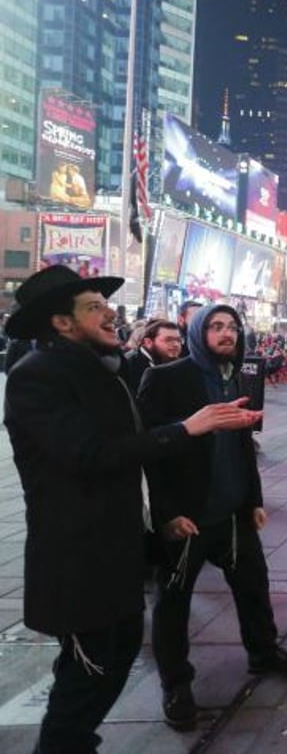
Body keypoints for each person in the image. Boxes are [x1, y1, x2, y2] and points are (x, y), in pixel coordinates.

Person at [3, 267, 262, 752]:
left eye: (106, 306)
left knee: (114, 655)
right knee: (89, 672)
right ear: (61, 323)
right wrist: (188, 428)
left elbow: (132, 450)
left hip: (115, 546)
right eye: (94, 307)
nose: (110, 314)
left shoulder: (103, 371)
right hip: (77, 556)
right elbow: (89, 455)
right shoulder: (37, 377)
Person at [139, 304, 287, 731]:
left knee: (254, 586)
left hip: (234, 513)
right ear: (198, 333)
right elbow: (148, 452)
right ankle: (176, 684)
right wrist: (167, 514)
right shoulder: (166, 378)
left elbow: (242, 445)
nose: (226, 334)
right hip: (189, 517)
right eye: (216, 327)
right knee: (174, 602)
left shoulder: (232, 376)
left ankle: (264, 651)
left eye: (232, 327)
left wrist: (254, 499)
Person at [123, 319, 184, 393]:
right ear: (148, 342)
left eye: (178, 340)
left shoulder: (177, 362)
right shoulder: (129, 364)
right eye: (168, 340)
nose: (176, 344)